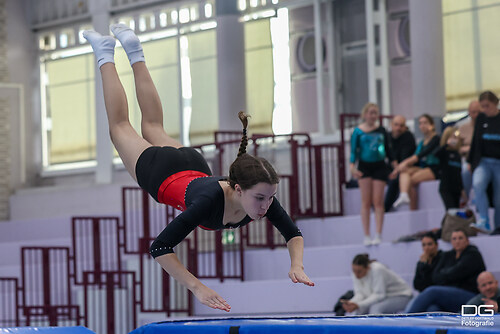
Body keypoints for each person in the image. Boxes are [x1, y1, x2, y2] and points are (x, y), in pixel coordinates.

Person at [83, 24, 314, 313]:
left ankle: (133, 48)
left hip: (192, 164)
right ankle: (104, 53)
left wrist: (297, 265)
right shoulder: (208, 203)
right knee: (120, 126)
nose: (267, 206)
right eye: (261, 198)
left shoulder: (260, 198)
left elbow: (292, 233)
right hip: (163, 174)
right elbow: (159, 248)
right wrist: (197, 286)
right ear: (238, 188)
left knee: (153, 125)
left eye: (270, 197)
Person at [406, 229, 486, 313]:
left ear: (467, 240)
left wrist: (445, 275)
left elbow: (455, 274)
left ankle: (404, 320)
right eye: (454, 239)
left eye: (460, 238)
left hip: (471, 295)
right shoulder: (448, 255)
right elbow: (434, 278)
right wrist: (423, 266)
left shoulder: (473, 255)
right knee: (433, 308)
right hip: (451, 294)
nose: (457, 241)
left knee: (432, 291)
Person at [349, 103, 393, 246]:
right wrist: (352, 167)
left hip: (380, 166)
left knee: (378, 201)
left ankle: (378, 234)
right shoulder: (358, 132)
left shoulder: (382, 130)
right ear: (365, 114)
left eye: (375, 113)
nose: (373, 116)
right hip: (364, 167)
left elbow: (388, 150)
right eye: (370, 113)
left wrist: (395, 166)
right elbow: (353, 151)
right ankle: (367, 234)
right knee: (366, 202)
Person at [391, 114, 441, 210]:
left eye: (425, 123)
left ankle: (412, 206)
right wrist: (401, 167)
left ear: (432, 125)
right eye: (421, 123)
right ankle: (404, 195)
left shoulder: (436, 139)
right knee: (405, 172)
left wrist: (399, 166)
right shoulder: (422, 142)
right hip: (423, 167)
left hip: (434, 168)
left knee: (411, 179)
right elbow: (415, 157)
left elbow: (418, 156)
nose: (423, 125)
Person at [467, 91, 500, 233]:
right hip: (484, 162)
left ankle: (498, 226)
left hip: (498, 163)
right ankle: (483, 220)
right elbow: (475, 140)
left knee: (499, 199)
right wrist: (470, 161)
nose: (485, 109)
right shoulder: (481, 118)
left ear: (496, 103)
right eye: (483, 106)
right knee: (478, 183)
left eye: (487, 106)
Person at [342, 254, 412, 315]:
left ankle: (379, 330)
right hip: (384, 298)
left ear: (368, 268)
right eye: (354, 271)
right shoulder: (355, 274)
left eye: (359, 271)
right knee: (358, 311)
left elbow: (379, 295)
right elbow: (360, 294)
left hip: (402, 296)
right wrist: (352, 303)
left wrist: (359, 305)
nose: (356, 275)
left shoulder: (378, 269)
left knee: (375, 309)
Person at [384, 115, 417, 212]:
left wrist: (396, 170)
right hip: (393, 168)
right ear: (391, 125)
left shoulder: (408, 137)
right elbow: (389, 156)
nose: (398, 128)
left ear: (405, 127)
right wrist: (394, 167)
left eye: (401, 126)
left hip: (405, 167)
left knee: (395, 180)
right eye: (396, 125)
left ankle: (385, 208)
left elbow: (405, 158)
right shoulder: (388, 137)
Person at [433, 126, 467, 210]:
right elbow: (436, 153)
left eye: (455, 138)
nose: (454, 140)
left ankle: (448, 223)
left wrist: (462, 190)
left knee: (456, 212)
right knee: (451, 210)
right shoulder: (444, 152)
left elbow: (458, 174)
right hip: (446, 187)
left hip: (456, 189)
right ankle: (446, 223)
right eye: (451, 137)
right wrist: (446, 144)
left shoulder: (457, 155)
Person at [458, 101, 481, 199]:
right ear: (469, 112)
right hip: (467, 159)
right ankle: (465, 197)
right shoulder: (462, 128)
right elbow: (456, 148)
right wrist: (464, 149)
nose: (475, 115)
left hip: (482, 159)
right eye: (473, 112)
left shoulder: (485, 126)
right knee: (465, 171)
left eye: (478, 112)